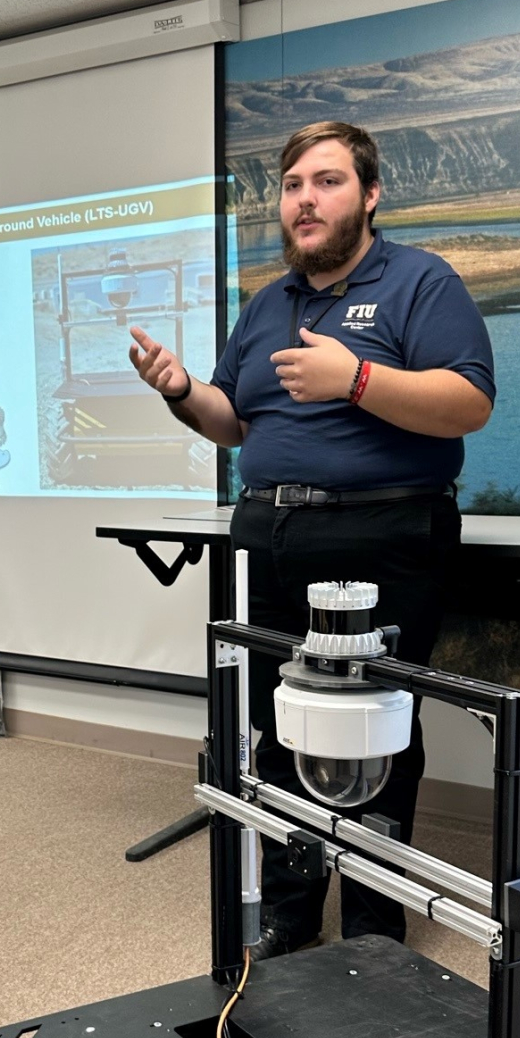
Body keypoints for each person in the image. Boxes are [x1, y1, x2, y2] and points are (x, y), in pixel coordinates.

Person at [129, 120, 495, 955]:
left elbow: (469, 402)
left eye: (327, 181)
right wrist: (181, 389)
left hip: (386, 532)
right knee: (276, 720)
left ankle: (373, 924)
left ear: (369, 195)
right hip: (270, 533)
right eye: (294, 185)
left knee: (377, 721)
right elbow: (231, 422)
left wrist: (355, 378)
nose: (305, 199)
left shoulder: (420, 283)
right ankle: (291, 913)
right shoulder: (267, 304)